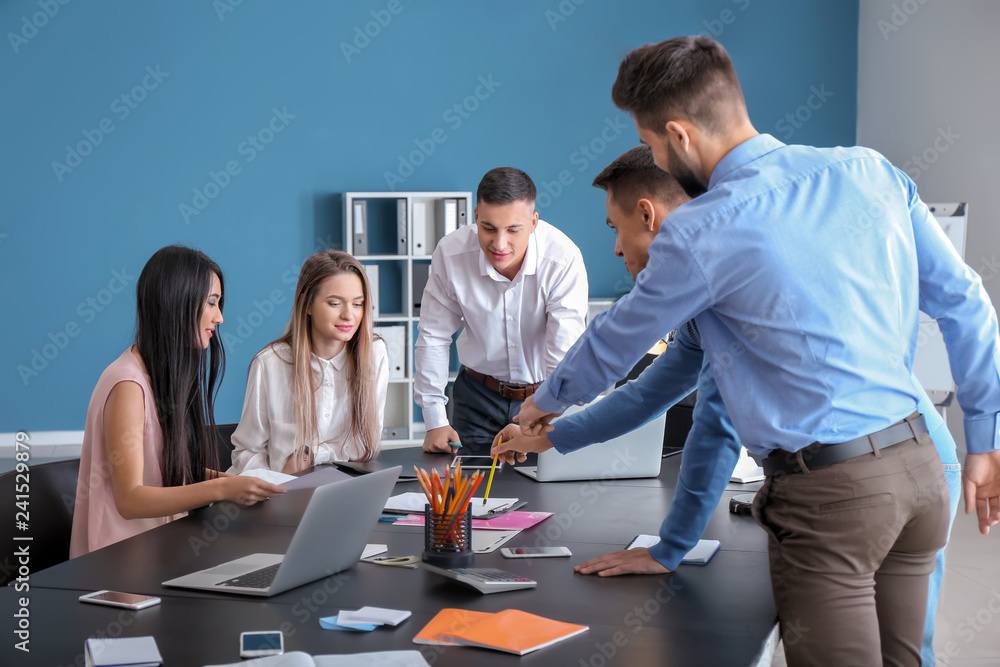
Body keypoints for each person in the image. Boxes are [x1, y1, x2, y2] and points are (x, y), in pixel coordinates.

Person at [515, 36, 1000, 667]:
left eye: (656, 144)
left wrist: (542, 403)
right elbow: (966, 302)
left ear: (680, 136)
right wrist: (985, 441)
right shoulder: (868, 169)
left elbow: (616, 342)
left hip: (833, 494)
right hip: (923, 468)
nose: (659, 157)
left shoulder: (701, 230)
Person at [70, 246, 285, 558]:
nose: (220, 317)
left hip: (159, 550)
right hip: (115, 563)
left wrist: (238, 482)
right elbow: (130, 500)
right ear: (177, 302)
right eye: (212, 302)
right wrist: (224, 489)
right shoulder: (127, 385)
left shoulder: (164, 375)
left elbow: (163, 469)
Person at [415, 167, 589, 454]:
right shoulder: (451, 254)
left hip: (545, 396)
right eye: (488, 228)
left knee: (545, 494)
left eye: (513, 230)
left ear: (534, 222)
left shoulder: (562, 259)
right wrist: (435, 420)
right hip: (477, 398)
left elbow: (563, 352)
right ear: (475, 217)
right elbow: (434, 335)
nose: (499, 244)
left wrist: (543, 412)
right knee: (473, 493)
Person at [228, 250, 388, 474]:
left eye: (357, 304)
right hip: (277, 493)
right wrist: (276, 485)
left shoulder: (374, 353)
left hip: (341, 488)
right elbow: (247, 452)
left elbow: (365, 445)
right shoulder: (270, 363)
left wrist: (312, 456)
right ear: (308, 304)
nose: (348, 315)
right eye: (335, 303)